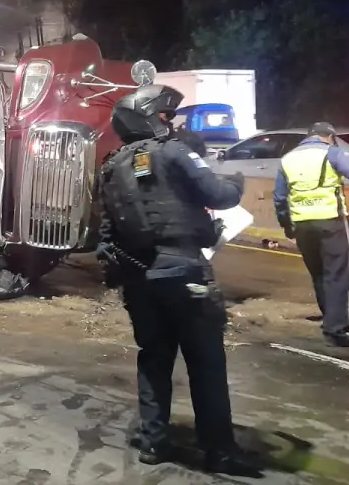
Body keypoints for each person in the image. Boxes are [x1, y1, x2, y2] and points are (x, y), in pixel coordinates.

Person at [96, 84, 259, 475]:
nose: (172, 123)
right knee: (205, 362)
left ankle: (153, 443)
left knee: (153, 360)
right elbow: (220, 195)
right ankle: (219, 450)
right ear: (151, 115)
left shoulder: (111, 166)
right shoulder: (174, 152)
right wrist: (237, 181)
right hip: (184, 272)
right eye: (167, 116)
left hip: (139, 280)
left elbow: (106, 230)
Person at [274, 122, 349, 347]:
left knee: (319, 274)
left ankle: (330, 319)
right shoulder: (332, 153)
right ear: (328, 137)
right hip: (332, 222)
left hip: (302, 225)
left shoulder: (288, 159)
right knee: (339, 275)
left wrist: (287, 226)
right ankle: (337, 331)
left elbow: (280, 199)